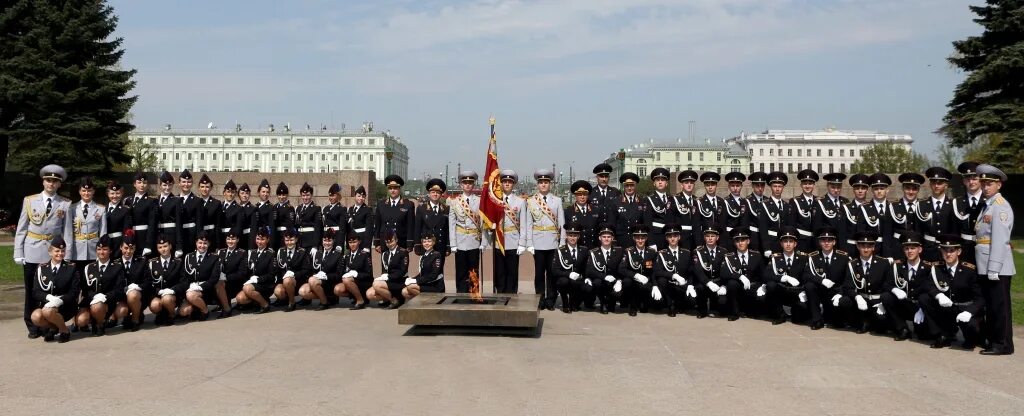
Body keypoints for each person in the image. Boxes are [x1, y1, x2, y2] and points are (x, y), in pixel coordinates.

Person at [15, 164, 71, 339]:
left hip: (53, 254)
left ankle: (48, 324)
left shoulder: (65, 203)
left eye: (55, 181)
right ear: (43, 181)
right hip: (32, 250)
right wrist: (18, 251)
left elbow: (67, 232)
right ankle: (32, 325)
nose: (51, 184)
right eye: (48, 180)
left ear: (59, 184)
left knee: (50, 289)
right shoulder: (30, 200)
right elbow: (22, 228)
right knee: (31, 290)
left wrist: (66, 255)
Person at [974, 164, 1015, 355]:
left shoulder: (1000, 207)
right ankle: (994, 340)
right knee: (991, 306)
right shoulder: (988, 206)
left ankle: (1003, 344)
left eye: (990, 183)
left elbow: (1000, 239)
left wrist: (994, 268)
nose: (985, 187)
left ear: (999, 185)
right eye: (983, 183)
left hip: (996, 266)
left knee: (1000, 307)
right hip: (986, 264)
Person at [920, 234, 985, 349]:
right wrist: (938, 295)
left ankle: (972, 337)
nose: (948, 254)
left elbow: (980, 297)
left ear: (958, 252)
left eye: (952, 251)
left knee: (971, 339)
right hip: (948, 309)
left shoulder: (969, 270)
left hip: (965, 309)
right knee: (924, 298)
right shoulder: (937, 268)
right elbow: (927, 284)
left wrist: (969, 312)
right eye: (945, 251)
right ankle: (943, 335)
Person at [838, 231, 894, 334]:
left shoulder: (884, 263)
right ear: (858, 247)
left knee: (880, 328)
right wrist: (857, 297)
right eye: (863, 246)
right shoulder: (852, 264)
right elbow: (847, 286)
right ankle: (858, 322)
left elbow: (889, 284)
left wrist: (882, 303)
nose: (866, 249)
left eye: (869, 246)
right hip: (862, 301)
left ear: (873, 247)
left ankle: (874, 322)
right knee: (844, 301)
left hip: (877, 301)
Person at [525, 168, 564, 310]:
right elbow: (528, 224)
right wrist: (529, 243)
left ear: (550, 184)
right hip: (537, 242)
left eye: (546, 182)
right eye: (541, 182)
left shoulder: (557, 201)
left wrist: (563, 242)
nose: (543, 185)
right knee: (539, 273)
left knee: (552, 273)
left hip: (553, 242)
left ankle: (551, 300)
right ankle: (540, 299)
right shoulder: (531, 201)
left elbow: (562, 223)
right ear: (537, 184)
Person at [881, 232, 930, 341]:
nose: (910, 251)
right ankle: (902, 329)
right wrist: (894, 289)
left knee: (923, 335)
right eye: (907, 248)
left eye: (913, 248)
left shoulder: (928, 268)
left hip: (920, 307)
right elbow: (886, 284)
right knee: (886, 296)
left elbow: (930, 290)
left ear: (920, 250)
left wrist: (922, 308)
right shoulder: (897, 266)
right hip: (903, 304)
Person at [29, 235, 78, 343]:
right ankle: (54, 327)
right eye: (57, 251)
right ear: (50, 252)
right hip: (47, 304)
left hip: (66, 306)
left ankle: (64, 331)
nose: (60, 253)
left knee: (47, 311)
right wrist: (48, 297)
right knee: (35, 316)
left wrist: (60, 300)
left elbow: (74, 292)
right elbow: (35, 292)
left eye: (63, 251)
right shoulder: (41, 269)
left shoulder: (71, 268)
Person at [803, 227, 850, 330]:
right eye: (824, 240)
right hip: (820, 292)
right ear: (820, 242)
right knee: (809, 286)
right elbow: (806, 275)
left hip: (835, 293)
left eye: (830, 240)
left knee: (838, 321)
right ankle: (817, 320)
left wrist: (840, 293)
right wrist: (821, 280)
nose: (826, 243)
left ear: (834, 242)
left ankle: (837, 319)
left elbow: (848, 279)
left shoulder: (843, 257)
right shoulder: (812, 257)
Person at [74, 235, 121, 336]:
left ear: (111, 251)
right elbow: (85, 289)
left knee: (97, 307)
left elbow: (119, 289)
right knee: (81, 320)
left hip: (108, 303)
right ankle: (93, 319)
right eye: (99, 249)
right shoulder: (88, 268)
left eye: (105, 249)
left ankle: (100, 324)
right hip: (90, 300)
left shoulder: (117, 267)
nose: (101, 252)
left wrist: (105, 297)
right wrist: (94, 296)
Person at [763, 227, 808, 325]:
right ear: (781, 244)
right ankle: (780, 315)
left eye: (791, 241)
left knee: (798, 319)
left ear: (795, 244)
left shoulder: (803, 258)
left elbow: (807, 275)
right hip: (781, 292)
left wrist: (804, 291)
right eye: (785, 241)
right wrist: (783, 278)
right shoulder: (775, 258)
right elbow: (766, 275)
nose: (788, 244)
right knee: (771, 285)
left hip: (797, 292)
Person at [491, 170, 527, 294]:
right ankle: (500, 294)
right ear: (501, 183)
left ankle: (512, 295)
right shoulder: (495, 201)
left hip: (513, 240)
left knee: (512, 271)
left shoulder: (520, 202)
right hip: (498, 240)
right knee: (499, 271)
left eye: (509, 182)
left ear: (514, 184)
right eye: (504, 182)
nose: (507, 184)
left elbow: (523, 224)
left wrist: (522, 243)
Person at [720, 228, 765, 321]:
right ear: (734, 243)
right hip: (737, 288)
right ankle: (734, 312)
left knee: (756, 311)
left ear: (748, 241)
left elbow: (763, 273)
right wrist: (740, 276)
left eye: (743, 240)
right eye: (737, 241)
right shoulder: (729, 257)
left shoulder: (757, 255)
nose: (740, 243)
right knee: (732, 283)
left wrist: (763, 286)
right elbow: (723, 273)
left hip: (752, 288)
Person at [449, 171, 483, 293]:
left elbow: (483, 222)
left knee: (473, 271)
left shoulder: (479, 201)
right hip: (460, 240)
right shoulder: (454, 201)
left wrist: (483, 241)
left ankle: (474, 295)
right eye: (465, 183)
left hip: (474, 240)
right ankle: (461, 295)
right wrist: (453, 243)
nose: (467, 185)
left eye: (470, 183)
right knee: (461, 271)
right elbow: (452, 224)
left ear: (473, 184)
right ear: (461, 185)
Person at [176, 231, 220, 321]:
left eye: (205, 243)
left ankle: (205, 311)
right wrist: (188, 287)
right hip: (190, 289)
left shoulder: (214, 258)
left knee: (191, 296)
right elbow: (184, 277)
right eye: (200, 243)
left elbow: (214, 278)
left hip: (206, 290)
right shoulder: (188, 257)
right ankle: (196, 308)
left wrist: (200, 287)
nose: (202, 246)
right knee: (183, 312)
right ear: (196, 243)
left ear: (209, 244)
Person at [854, 173, 900, 258]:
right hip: (871, 251)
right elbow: (861, 232)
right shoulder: (864, 208)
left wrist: (892, 254)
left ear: (887, 190)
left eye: (882, 188)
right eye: (876, 189)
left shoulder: (893, 208)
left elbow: (895, 232)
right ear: (872, 190)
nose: (879, 191)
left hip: (890, 251)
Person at [653, 224, 693, 317]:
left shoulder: (686, 253)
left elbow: (690, 271)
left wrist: (690, 284)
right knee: (662, 280)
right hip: (669, 284)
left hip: (682, 285)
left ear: (679, 237)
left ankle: (681, 304)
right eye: (670, 236)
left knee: (691, 301)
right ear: (666, 238)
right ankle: (670, 305)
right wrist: (673, 275)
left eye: (675, 236)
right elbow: (657, 271)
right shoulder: (661, 253)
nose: (672, 239)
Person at [919, 166, 958, 263]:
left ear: (946, 185)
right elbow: (918, 231)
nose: (936, 186)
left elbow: (955, 230)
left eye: (940, 183)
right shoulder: (921, 205)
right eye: (933, 182)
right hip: (927, 250)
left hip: (947, 250)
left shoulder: (953, 204)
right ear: (930, 184)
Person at [617, 224, 657, 317]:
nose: (640, 241)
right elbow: (621, 269)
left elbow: (654, 270)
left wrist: (655, 285)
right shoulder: (628, 252)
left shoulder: (651, 252)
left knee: (648, 303)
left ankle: (643, 302)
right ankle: (633, 306)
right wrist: (636, 275)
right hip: (633, 281)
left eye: (642, 238)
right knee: (627, 282)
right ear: (634, 238)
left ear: (646, 238)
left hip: (646, 281)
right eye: (638, 238)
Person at [300, 229, 343, 310]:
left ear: (333, 241)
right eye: (325, 240)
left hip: (330, 283)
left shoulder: (338, 255)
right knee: (302, 291)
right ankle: (326, 297)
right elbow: (312, 270)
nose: (327, 243)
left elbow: (339, 274)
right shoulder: (318, 253)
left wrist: (326, 276)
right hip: (318, 283)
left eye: (329, 241)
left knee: (312, 280)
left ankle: (324, 302)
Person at [586, 224, 625, 314]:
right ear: (600, 238)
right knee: (597, 283)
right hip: (601, 280)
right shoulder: (593, 252)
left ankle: (612, 301)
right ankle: (603, 302)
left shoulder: (619, 251)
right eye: (604, 237)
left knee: (622, 287)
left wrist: (619, 280)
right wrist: (604, 276)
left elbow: (622, 268)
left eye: (608, 237)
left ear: (612, 238)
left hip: (614, 279)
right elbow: (589, 270)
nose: (606, 239)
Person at [237, 228, 277, 314]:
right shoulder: (253, 253)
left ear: (268, 240)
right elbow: (250, 270)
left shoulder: (271, 254)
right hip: (254, 284)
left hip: (266, 284)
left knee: (247, 288)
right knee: (240, 298)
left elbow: (272, 274)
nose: (259, 241)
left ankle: (265, 305)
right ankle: (256, 302)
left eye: (262, 239)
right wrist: (250, 278)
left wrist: (258, 279)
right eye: (258, 239)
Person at [692, 225, 729, 319]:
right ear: (704, 238)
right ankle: (702, 310)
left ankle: (714, 308)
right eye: (707, 236)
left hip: (718, 282)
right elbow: (698, 270)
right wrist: (708, 283)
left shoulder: (724, 252)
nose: (710, 238)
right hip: (705, 282)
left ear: (717, 237)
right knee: (700, 287)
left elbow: (725, 270)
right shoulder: (698, 252)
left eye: (712, 236)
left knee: (723, 305)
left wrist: (724, 285)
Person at [114, 230, 148, 331]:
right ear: (120, 247)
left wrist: (138, 287)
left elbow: (148, 281)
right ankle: (124, 317)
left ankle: (135, 320)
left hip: (137, 297)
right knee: (120, 311)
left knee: (133, 294)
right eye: (125, 248)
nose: (128, 251)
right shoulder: (115, 263)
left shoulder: (141, 261)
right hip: (121, 298)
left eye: (131, 248)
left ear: (135, 248)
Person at [551, 222, 588, 313]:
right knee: (564, 281)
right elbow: (554, 270)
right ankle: (565, 302)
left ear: (578, 237)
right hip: (564, 279)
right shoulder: (560, 250)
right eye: (570, 235)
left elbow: (585, 267)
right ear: (566, 236)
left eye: (575, 235)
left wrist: (587, 278)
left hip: (577, 280)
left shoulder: (583, 250)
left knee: (585, 286)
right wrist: (569, 274)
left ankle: (575, 302)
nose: (572, 238)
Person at [367, 231, 410, 309]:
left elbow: (402, 271)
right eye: (387, 242)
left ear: (396, 240)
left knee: (376, 284)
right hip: (389, 281)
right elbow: (385, 270)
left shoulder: (403, 252)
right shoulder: (385, 254)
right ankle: (390, 299)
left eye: (392, 241)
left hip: (399, 281)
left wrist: (388, 277)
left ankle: (394, 300)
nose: (390, 244)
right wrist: (383, 276)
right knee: (369, 294)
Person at [891, 172, 927, 261]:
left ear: (918, 189)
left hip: (917, 250)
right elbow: (888, 232)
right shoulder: (893, 206)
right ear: (903, 188)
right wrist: (889, 253)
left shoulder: (924, 207)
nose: (911, 192)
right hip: (898, 248)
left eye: (914, 189)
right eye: (907, 188)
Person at [147, 236, 182, 326]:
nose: (163, 249)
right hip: (158, 294)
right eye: (160, 247)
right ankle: (161, 313)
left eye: (165, 246)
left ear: (170, 246)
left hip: (173, 295)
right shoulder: (152, 263)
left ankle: (171, 315)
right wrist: (159, 291)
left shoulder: (178, 262)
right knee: (155, 305)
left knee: (166, 299)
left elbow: (184, 282)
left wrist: (172, 290)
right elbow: (149, 282)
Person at [375, 175, 415, 249]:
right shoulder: (381, 204)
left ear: (399, 189)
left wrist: (409, 243)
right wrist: (377, 242)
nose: (392, 190)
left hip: (401, 242)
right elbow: (378, 225)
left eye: (395, 188)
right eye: (390, 188)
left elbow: (410, 226)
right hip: (385, 242)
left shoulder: (408, 204)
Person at [336, 233, 374, 309]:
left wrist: (357, 274)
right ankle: (356, 296)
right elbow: (341, 271)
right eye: (350, 242)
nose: (352, 245)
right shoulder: (346, 256)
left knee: (347, 280)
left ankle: (360, 301)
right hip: (351, 282)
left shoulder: (364, 255)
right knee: (337, 289)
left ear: (359, 242)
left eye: (354, 242)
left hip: (363, 281)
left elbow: (369, 274)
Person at [756, 171, 791, 256]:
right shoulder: (764, 205)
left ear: (783, 187)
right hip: (771, 244)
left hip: (785, 245)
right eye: (775, 186)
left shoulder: (787, 206)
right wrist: (766, 247)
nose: (777, 189)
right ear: (771, 187)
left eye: (780, 186)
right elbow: (763, 229)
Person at [275, 229, 310, 312]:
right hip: (285, 281)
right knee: (278, 291)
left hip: (298, 281)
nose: (289, 242)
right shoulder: (281, 251)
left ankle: (292, 303)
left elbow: (306, 270)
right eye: (287, 240)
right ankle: (286, 299)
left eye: (291, 240)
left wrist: (294, 274)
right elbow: (278, 269)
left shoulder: (302, 252)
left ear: (296, 240)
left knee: (288, 280)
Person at [403, 233, 446, 300]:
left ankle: (429, 302)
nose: (426, 243)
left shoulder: (437, 255)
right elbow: (422, 273)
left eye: (429, 241)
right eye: (424, 242)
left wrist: (416, 281)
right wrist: (411, 278)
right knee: (404, 291)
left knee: (410, 287)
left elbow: (433, 275)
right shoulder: (423, 256)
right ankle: (423, 303)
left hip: (435, 285)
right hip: (426, 283)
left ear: (433, 242)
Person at [957, 161, 984, 265]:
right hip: (964, 251)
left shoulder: (989, 201)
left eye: (974, 178)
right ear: (964, 181)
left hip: (984, 248)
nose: (971, 182)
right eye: (968, 179)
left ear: (980, 180)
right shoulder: (957, 203)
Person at [215, 230, 247, 317]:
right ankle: (222, 304)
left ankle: (227, 309)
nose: (230, 241)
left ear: (237, 240)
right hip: (223, 282)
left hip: (235, 283)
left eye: (233, 239)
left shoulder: (242, 253)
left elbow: (242, 273)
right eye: (228, 239)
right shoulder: (220, 252)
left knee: (219, 284)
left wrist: (226, 277)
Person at [126, 172, 157, 258]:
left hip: (143, 237)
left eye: (144, 183)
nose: (142, 185)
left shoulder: (151, 201)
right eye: (139, 182)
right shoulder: (128, 200)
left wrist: (148, 245)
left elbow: (152, 224)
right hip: (131, 237)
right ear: (134, 184)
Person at [644, 168, 675, 251]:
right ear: (654, 183)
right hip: (656, 236)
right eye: (658, 180)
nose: (660, 182)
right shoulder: (649, 199)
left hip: (670, 238)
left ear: (667, 183)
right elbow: (647, 223)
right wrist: (651, 242)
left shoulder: (672, 199)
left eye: (663, 180)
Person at [154, 171, 184, 258]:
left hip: (171, 235)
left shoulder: (176, 200)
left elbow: (179, 223)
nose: (167, 187)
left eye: (170, 185)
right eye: (164, 185)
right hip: (158, 235)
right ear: (160, 185)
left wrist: (179, 246)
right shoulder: (155, 200)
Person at [789, 169, 819, 253]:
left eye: (810, 183)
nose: (807, 186)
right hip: (801, 241)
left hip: (816, 243)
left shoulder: (819, 201)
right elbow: (792, 225)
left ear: (814, 185)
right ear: (801, 185)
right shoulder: (795, 201)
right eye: (805, 183)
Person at [613, 172, 645, 249]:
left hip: (637, 241)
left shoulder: (643, 202)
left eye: (632, 185)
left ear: (635, 185)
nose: (629, 188)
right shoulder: (616, 202)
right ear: (624, 186)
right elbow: (612, 223)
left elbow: (646, 223)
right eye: (627, 186)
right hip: (620, 240)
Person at [696, 172, 727, 249]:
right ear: (704, 186)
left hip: (719, 239)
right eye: (707, 185)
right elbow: (697, 224)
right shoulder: (700, 202)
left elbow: (723, 223)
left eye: (712, 185)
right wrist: (699, 242)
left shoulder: (721, 201)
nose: (710, 187)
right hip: (705, 239)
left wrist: (723, 240)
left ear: (716, 185)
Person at [565, 180, 600, 249]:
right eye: (579, 194)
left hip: (593, 248)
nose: (582, 197)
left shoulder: (596, 210)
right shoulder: (568, 212)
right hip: (577, 248)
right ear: (575, 195)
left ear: (588, 195)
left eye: (585, 194)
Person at [721, 172, 750, 253]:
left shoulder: (745, 202)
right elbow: (722, 224)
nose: (735, 188)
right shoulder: (725, 202)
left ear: (741, 186)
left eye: (738, 186)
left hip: (742, 239)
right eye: (733, 186)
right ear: (729, 187)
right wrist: (723, 243)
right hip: (729, 237)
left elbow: (746, 222)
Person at [177, 170, 203, 254]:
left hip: (191, 236)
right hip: (177, 236)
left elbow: (199, 222)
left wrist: (199, 240)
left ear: (192, 183)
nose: (186, 184)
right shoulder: (174, 199)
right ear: (179, 183)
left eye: (189, 182)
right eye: (184, 182)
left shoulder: (197, 201)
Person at [672, 170, 699, 251]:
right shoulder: (675, 199)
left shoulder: (696, 201)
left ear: (694, 185)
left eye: (691, 183)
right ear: (682, 185)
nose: (689, 185)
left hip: (694, 239)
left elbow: (697, 223)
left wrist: (699, 242)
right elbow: (672, 220)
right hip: (681, 238)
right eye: (686, 182)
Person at [104, 180, 130, 259]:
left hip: (117, 244)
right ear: (108, 194)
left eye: (118, 193)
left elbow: (127, 230)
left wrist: (123, 246)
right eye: (112, 193)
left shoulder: (125, 210)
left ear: (122, 194)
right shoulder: (102, 209)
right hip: (104, 245)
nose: (115, 196)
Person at [196, 174, 222, 251]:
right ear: (199, 188)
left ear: (211, 188)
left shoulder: (216, 203)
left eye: (207, 187)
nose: (205, 189)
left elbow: (218, 225)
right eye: (202, 187)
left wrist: (218, 244)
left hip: (211, 236)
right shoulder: (195, 202)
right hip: (198, 237)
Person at [744, 171, 768, 252]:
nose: (760, 188)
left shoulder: (767, 201)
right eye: (757, 185)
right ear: (753, 186)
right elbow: (745, 223)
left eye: (762, 185)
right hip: (753, 237)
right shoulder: (747, 201)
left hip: (766, 237)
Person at [295, 182, 322, 250]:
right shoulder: (298, 208)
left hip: (310, 242)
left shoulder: (316, 208)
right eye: (303, 195)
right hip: (299, 242)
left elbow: (318, 228)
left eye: (307, 195)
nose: (305, 197)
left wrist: (315, 245)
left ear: (311, 195)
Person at [219, 180, 244, 252]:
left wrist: (233, 239)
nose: (230, 194)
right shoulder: (219, 206)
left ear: (235, 194)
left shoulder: (239, 208)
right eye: (228, 192)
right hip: (220, 238)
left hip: (231, 239)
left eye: (232, 192)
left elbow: (238, 227)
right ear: (224, 193)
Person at [347, 186, 374, 250]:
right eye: (359, 196)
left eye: (363, 196)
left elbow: (369, 229)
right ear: (355, 196)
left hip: (363, 241)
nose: (361, 198)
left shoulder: (368, 209)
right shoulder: (350, 209)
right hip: (352, 241)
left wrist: (367, 246)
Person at [251, 179, 275, 249]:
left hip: (265, 239)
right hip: (256, 239)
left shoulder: (271, 207)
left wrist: (271, 244)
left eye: (267, 192)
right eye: (263, 192)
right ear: (258, 192)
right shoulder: (255, 206)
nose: (265, 194)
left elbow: (272, 227)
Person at [271, 182, 296, 250]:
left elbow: (290, 224)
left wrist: (287, 238)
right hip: (276, 235)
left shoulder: (290, 208)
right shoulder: (274, 207)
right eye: (279, 195)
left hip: (285, 235)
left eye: (283, 195)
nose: (281, 197)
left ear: (287, 195)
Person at [322, 183, 347, 250]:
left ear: (338, 196)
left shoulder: (342, 209)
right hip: (326, 239)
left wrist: (340, 243)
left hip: (336, 238)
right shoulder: (325, 208)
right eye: (330, 196)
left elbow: (342, 228)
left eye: (333, 196)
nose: (331, 198)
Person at [237, 182, 256, 250]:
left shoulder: (253, 209)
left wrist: (252, 245)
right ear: (239, 195)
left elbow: (253, 228)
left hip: (247, 239)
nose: (244, 195)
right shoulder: (237, 207)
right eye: (242, 193)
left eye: (247, 193)